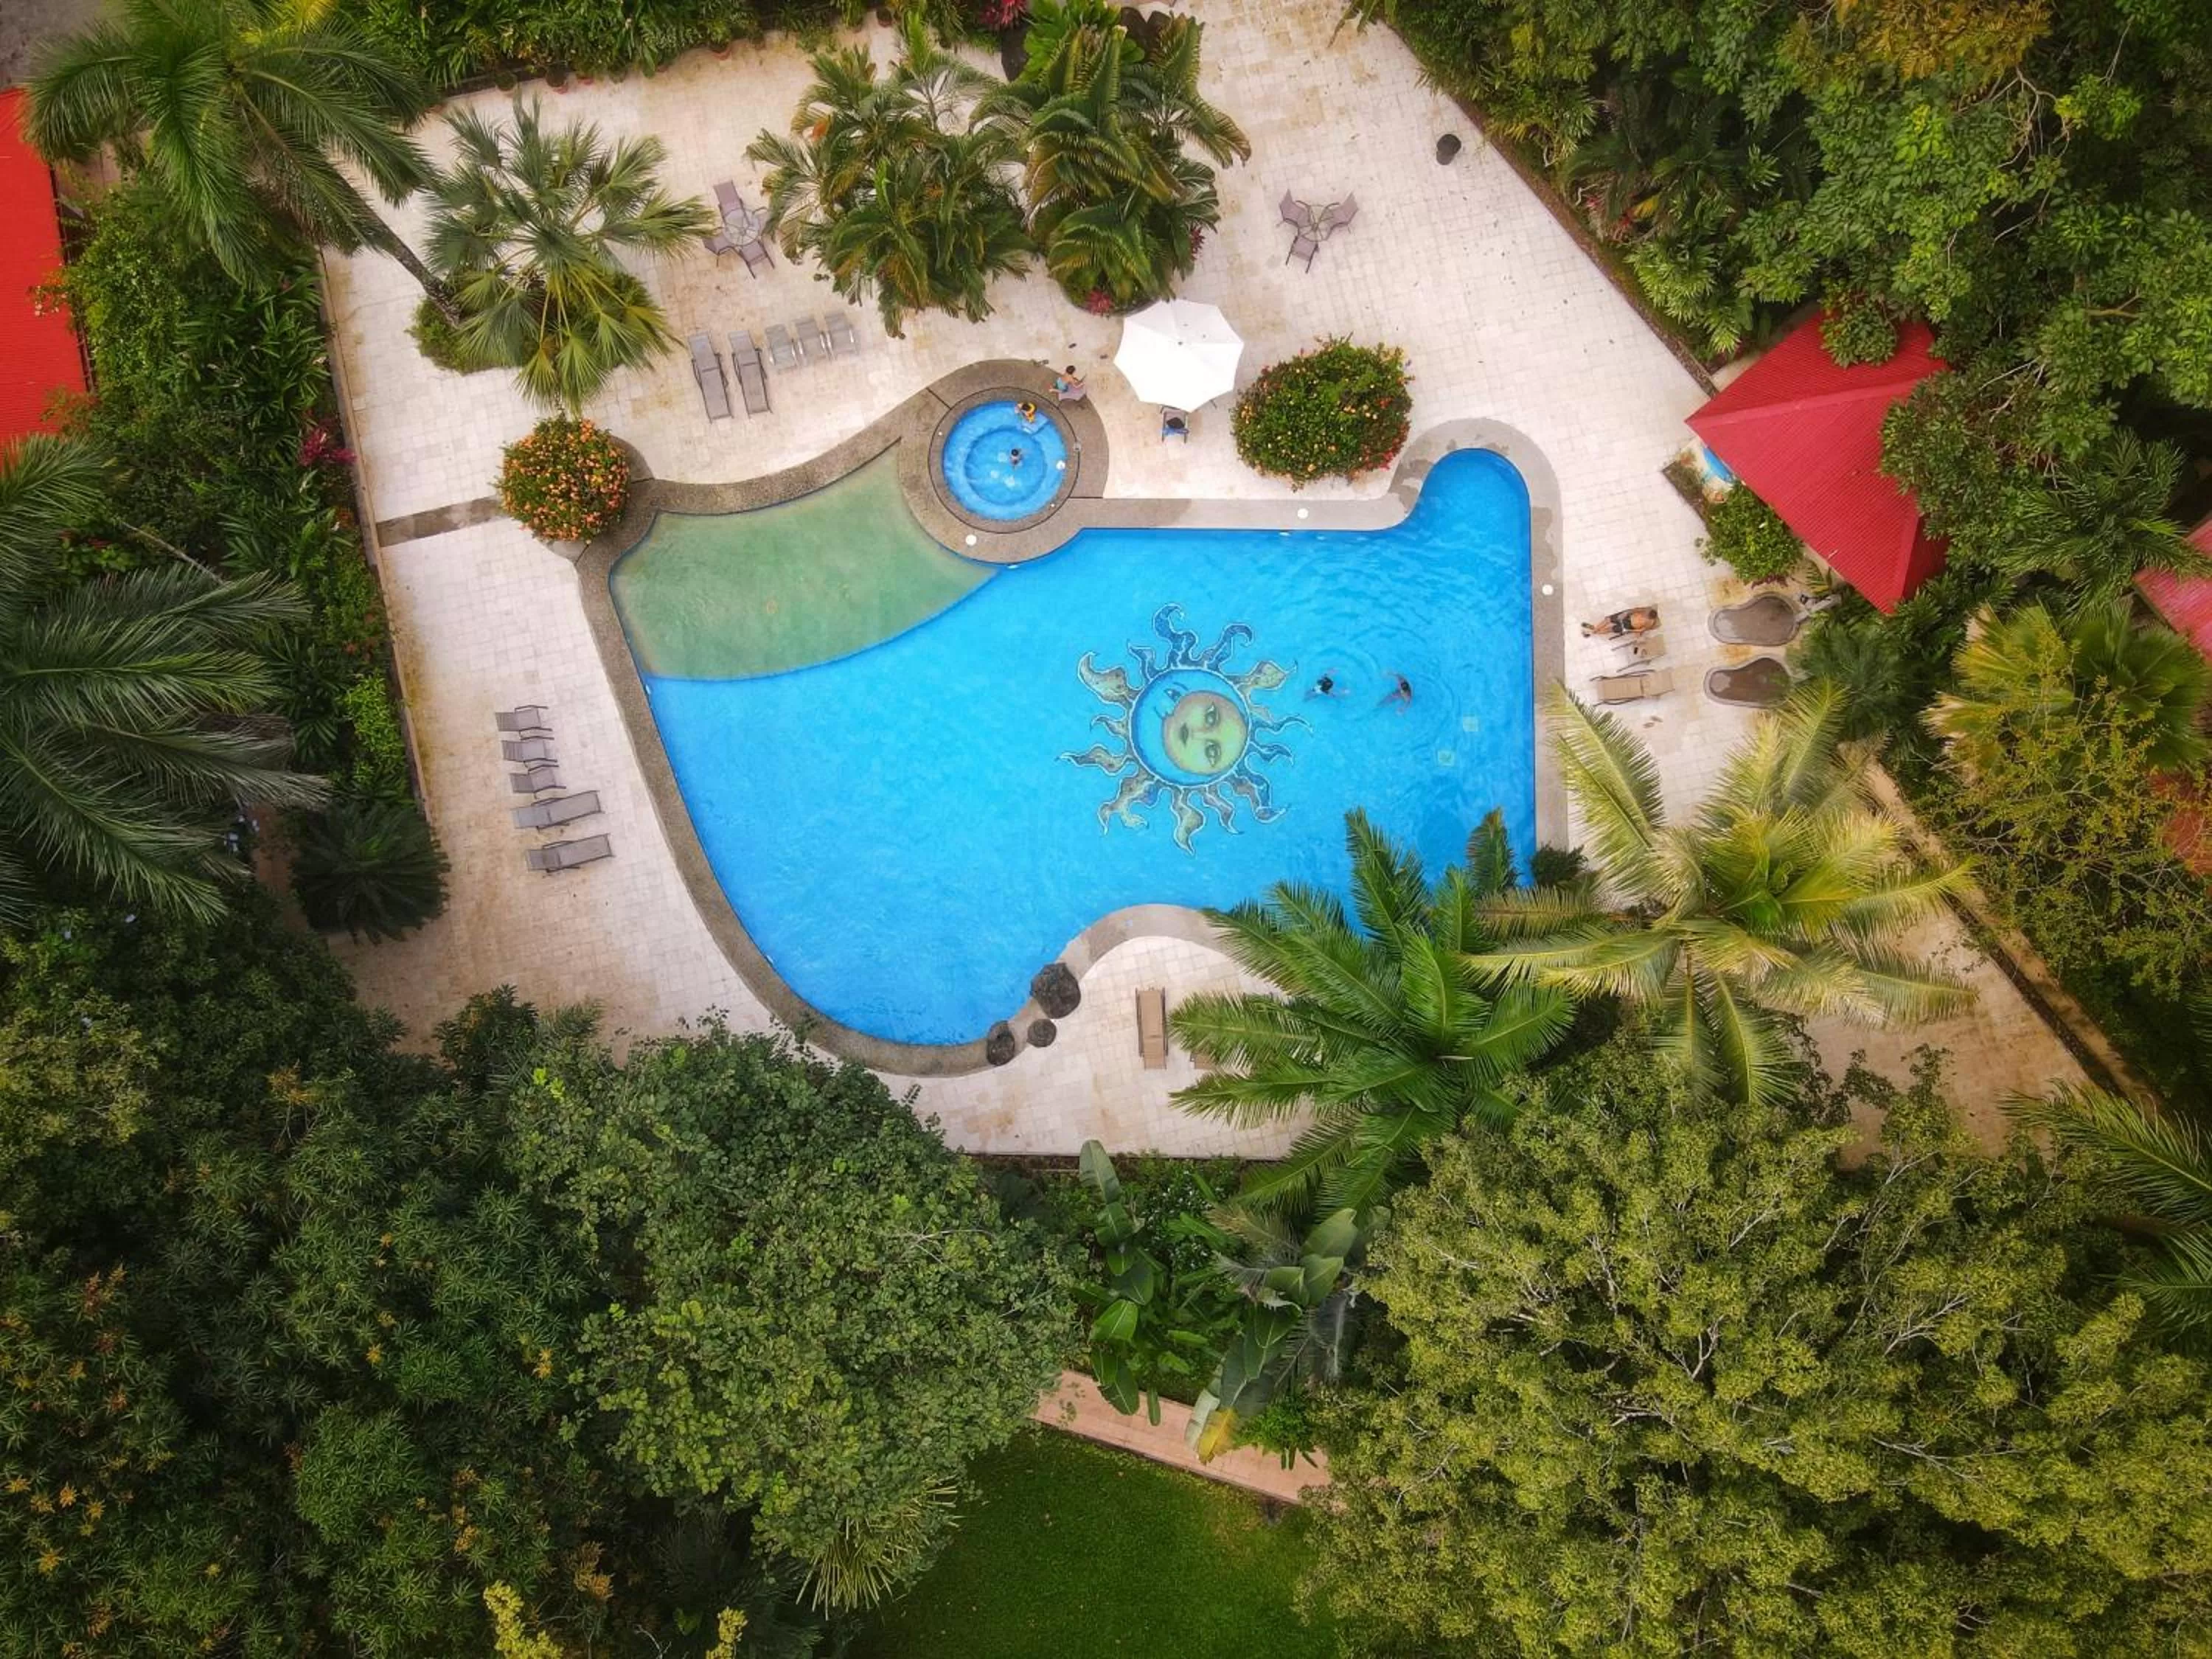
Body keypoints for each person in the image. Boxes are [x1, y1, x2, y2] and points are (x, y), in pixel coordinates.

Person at [1581, 605, 1660, 639]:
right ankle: (1593, 630)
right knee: (1608, 620)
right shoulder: (1645, 610)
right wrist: (1625, 613)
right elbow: (1635, 610)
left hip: (1628, 626)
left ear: (1650, 618)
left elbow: (1641, 630)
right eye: (1646, 613)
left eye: (1647, 616)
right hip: (1626, 617)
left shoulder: (1650, 623)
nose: (1645, 615)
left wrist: (1630, 631)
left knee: (1610, 629)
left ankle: (1591, 632)